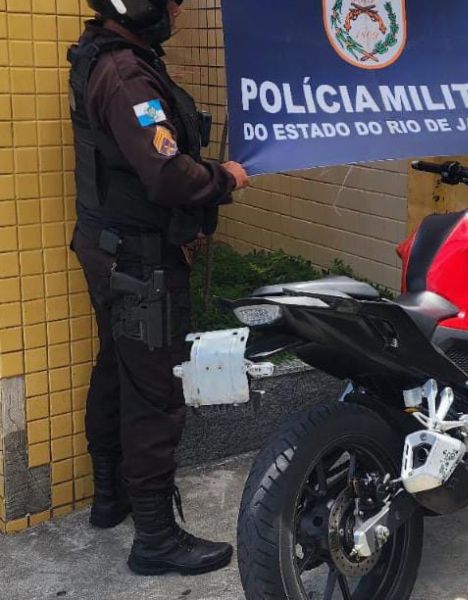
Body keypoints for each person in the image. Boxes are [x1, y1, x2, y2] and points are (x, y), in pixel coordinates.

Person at [68, 0, 249, 575]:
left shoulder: (112, 57)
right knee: (153, 392)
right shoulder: (124, 75)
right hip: (139, 261)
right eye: (172, 1)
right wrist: (225, 179)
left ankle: (110, 499)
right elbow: (167, 172)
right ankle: (155, 539)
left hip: (116, 250)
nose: (179, 11)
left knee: (118, 370)